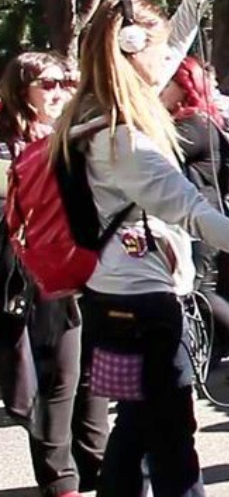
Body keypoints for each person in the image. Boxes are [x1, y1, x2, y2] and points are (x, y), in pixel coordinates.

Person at [60, 0, 229, 497]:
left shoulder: (89, 113)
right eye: (156, 44)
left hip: (109, 300)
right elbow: (196, 214)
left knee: (136, 425)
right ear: (128, 48)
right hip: (146, 309)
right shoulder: (124, 140)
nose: (170, 56)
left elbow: (170, 48)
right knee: (173, 438)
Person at [0, 53, 108, 497]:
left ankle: (98, 470)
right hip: (33, 279)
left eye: (67, 82)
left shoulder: (76, 136)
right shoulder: (7, 146)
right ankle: (60, 480)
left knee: (95, 376)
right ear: (19, 90)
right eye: (48, 84)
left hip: (91, 271)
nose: (59, 92)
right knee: (55, 379)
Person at [161, 56, 229, 387]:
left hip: (203, 220)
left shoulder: (194, 125)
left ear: (185, 86)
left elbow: (158, 151)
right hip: (202, 218)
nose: (158, 90)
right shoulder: (197, 121)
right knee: (204, 289)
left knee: (197, 289)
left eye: (166, 84)